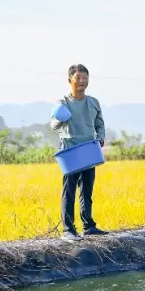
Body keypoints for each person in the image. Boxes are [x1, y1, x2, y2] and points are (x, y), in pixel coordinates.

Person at [50, 64, 109, 241]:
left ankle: (88, 226)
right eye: (78, 78)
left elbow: (100, 124)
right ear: (70, 80)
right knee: (69, 191)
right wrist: (60, 117)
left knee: (87, 190)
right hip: (71, 151)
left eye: (85, 78)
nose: (82, 81)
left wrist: (101, 137)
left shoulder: (93, 102)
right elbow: (53, 125)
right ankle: (68, 229)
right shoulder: (62, 103)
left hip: (89, 150)